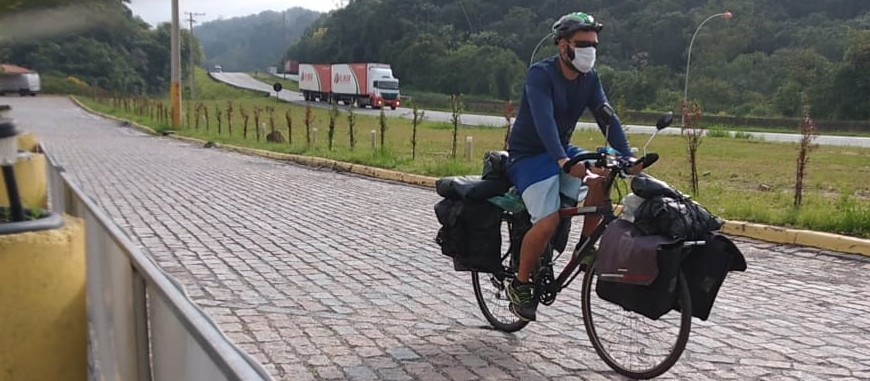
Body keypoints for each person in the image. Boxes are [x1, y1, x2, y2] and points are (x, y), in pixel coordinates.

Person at [505, 11, 636, 322]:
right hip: (529, 155)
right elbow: (544, 121)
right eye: (582, 43)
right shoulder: (541, 74)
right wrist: (563, 161)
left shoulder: (590, 79)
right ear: (563, 45)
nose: (590, 50)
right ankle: (520, 283)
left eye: (594, 44)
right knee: (548, 222)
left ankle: (585, 247)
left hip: (562, 150)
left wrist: (628, 157)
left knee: (603, 174)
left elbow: (607, 117)